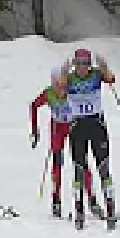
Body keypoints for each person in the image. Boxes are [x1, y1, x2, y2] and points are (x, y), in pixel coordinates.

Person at [30, 67, 101, 219]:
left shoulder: (72, 91)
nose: (60, 88)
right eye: (56, 84)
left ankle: (92, 200)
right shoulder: (48, 93)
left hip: (74, 126)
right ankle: (56, 200)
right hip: (57, 129)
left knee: (81, 163)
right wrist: (35, 130)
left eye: (62, 84)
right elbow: (34, 105)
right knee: (57, 163)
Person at [65, 48, 118, 229]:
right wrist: (65, 69)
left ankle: (111, 210)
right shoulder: (70, 78)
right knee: (79, 169)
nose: (82, 67)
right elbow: (58, 86)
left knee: (103, 168)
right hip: (77, 127)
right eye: (78, 63)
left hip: (97, 126)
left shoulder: (96, 74)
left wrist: (103, 66)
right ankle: (79, 212)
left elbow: (111, 79)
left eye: (86, 63)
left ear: (90, 64)